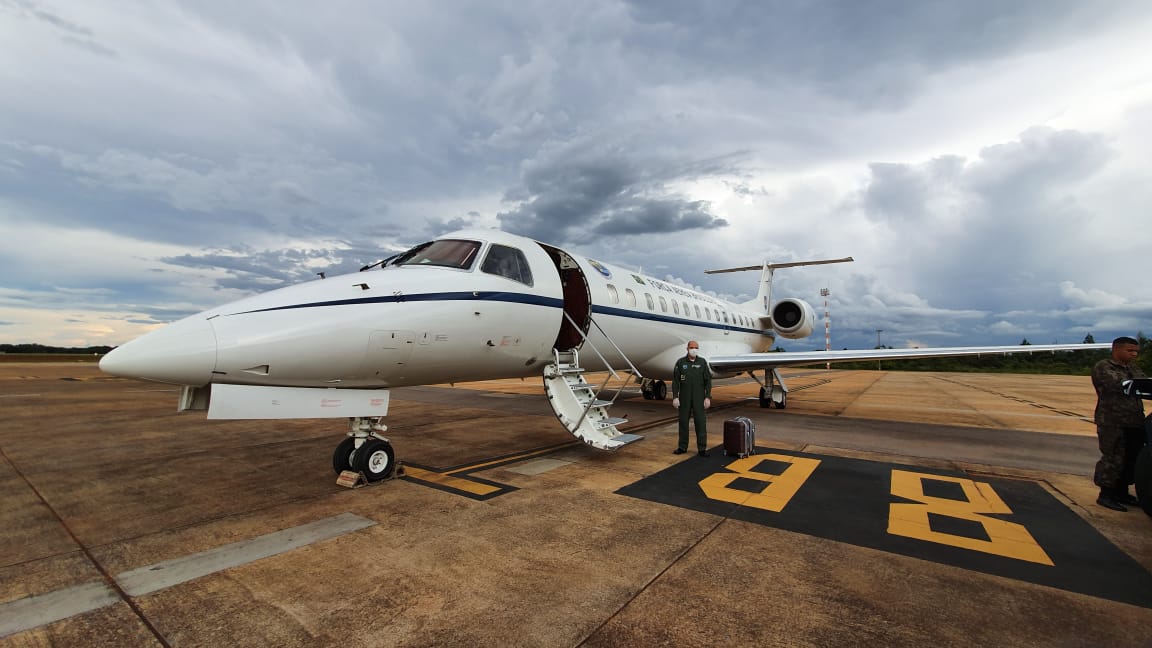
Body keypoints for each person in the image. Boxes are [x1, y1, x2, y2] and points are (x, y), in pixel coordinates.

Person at [1091, 336, 1147, 511]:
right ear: (1116, 350)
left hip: (1134, 421)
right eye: (1130, 351)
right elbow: (1118, 385)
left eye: (1136, 351)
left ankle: (1122, 492)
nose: (1134, 355)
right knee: (1113, 458)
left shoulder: (1133, 368)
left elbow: (1144, 384)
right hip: (1112, 421)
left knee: (1131, 459)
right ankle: (1106, 494)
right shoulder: (1103, 367)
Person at [671, 340, 712, 457]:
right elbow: (676, 381)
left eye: (696, 347)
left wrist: (707, 397)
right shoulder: (680, 363)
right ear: (687, 348)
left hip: (699, 399)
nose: (694, 349)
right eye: (692, 347)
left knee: (701, 423)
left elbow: (708, 381)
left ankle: (702, 448)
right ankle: (682, 447)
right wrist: (675, 397)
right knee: (683, 423)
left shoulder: (702, 362)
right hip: (684, 399)